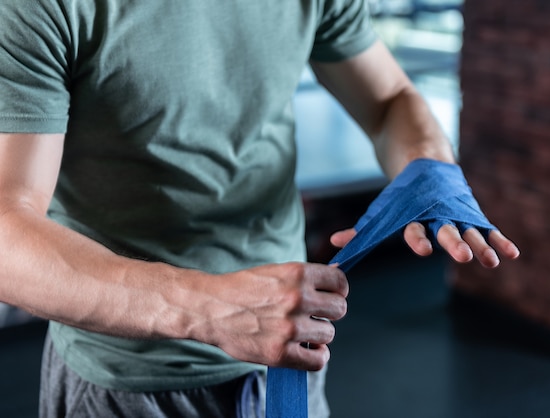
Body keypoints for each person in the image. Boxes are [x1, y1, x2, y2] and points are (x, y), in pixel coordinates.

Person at [0, 0, 519, 416]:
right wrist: (213, 310)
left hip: (291, 354)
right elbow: (7, 228)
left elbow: (389, 100)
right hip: (130, 381)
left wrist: (431, 174)